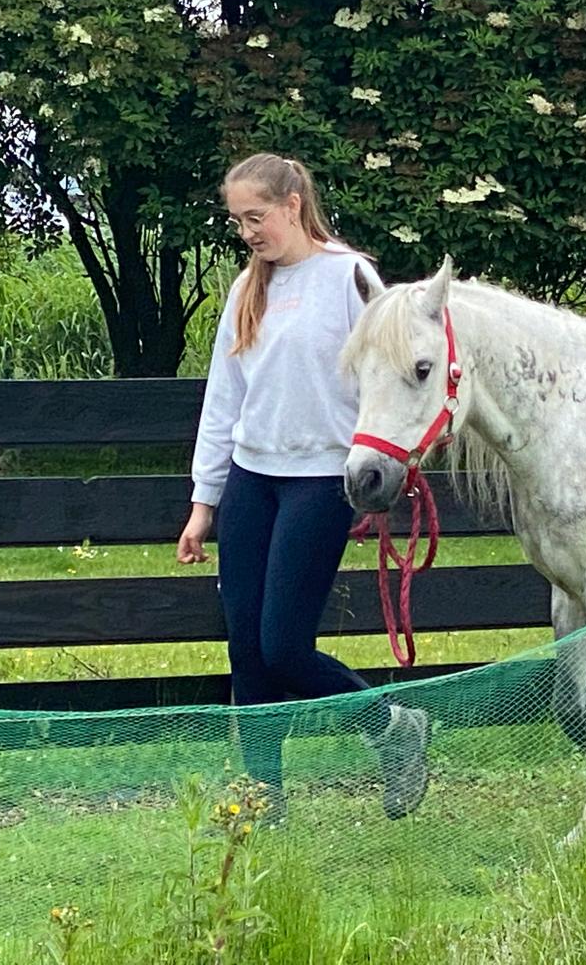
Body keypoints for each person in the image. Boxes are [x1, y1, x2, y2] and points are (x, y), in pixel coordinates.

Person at [177, 152, 429, 821]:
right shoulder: (245, 290)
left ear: (293, 205)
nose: (249, 232)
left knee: (284, 645)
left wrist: (383, 460)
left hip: (320, 480)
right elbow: (224, 398)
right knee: (247, 651)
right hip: (252, 481)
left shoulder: (349, 276)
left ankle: (392, 727)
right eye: (238, 222)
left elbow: (386, 375)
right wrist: (205, 503)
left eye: (256, 217)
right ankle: (266, 798)